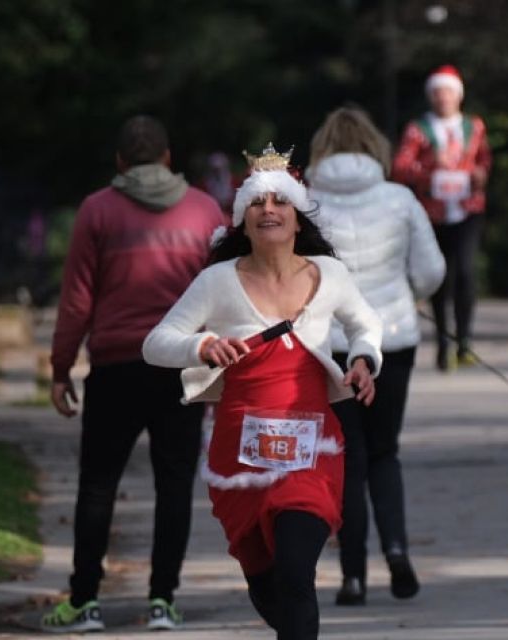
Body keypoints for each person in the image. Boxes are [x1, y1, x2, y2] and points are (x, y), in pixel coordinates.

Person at [143, 143, 382, 639]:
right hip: (242, 459)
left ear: (297, 218)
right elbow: (156, 343)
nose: (268, 209)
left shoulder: (329, 274)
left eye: (279, 201)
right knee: (267, 584)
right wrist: (203, 345)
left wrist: (362, 360)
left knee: (296, 572)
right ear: (241, 220)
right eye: (256, 203)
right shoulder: (216, 282)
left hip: (311, 450)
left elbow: (364, 324)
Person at [43, 115, 226, 632]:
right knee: (174, 487)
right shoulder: (204, 211)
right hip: (182, 367)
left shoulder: (97, 211)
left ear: (120, 162)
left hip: (116, 367)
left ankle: (83, 602)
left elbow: (77, 300)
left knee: (98, 486)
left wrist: (61, 369)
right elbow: (223, 291)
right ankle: (163, 601)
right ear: (168, 158)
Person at [306, 107, 445, 605]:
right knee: (386, 453)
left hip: (332, 346)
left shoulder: (307, 203)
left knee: (349, 459)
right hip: (394, 339)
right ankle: (396, 549)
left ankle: (352, 576)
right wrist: (404, 290)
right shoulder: (400, 198)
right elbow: (431, 271)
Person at [392, 65, 491, 371]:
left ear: (458, 95)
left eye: (448, 91)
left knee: (465, 273)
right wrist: (430, 171)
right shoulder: (418, 129)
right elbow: (400, 167)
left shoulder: (473, 127)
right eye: (437, 92)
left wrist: (480, 174)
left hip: (467, 209)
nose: (443, 97)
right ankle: (443, 343)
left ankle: (464, 341)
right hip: (432, 213)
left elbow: (484, 159)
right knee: (438, 277)